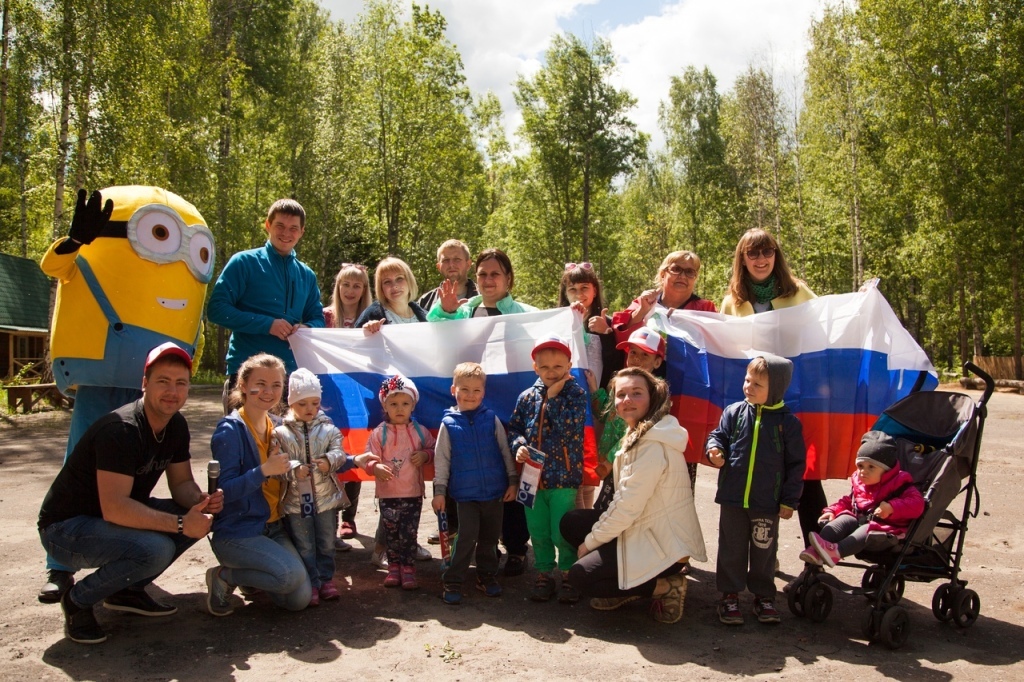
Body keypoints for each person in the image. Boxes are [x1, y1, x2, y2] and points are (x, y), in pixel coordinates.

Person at [37, 343, 222, 644]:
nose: (172, 391)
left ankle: (125, 590)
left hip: (109, 520)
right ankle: (77, 601)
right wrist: (179, 524)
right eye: (163, 381)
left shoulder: (176, 425)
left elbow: (181, 486)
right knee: (155, 548)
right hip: (66, 529)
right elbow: (115, 509)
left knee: (197, 518)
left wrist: (202, 502)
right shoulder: (121, 430)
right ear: (145, 384)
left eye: (180, 383)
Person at [561, 367, 707, 623]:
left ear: (652, 398)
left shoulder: (652, 444)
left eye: (636, 393)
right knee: (571, 522)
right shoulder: (639, 432)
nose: (627, 400)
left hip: (664, 546)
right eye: (621, 394)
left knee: (581, 576)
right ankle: (625, 582)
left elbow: (627, 507)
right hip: (644, 529)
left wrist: (591, 542)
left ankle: (665, 585)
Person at [427, 247, 537, 578]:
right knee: (465, 474)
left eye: (495, 274)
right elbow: (431, 339)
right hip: (469, 412)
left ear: (509, 279)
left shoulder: (524, 313)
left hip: (508, 413)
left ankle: (516, 547)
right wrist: (444, 314)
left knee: (509, 477)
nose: (488, 280)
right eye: (483, 274)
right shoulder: (461, 310)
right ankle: (461, 540)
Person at [718, 228, 823, 548]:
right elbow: (722, 349)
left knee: (805, 473)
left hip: (795, 398)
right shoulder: (732, 302)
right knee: (756, 474)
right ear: (742, 259)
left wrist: (860, 303)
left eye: (767, 252)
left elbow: (828, 329)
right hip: (753, 403)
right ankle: (758, 560)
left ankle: (817, 551)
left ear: (776, 256)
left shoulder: (799, 292)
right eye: (753, 253)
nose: (761, 259)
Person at [205, 354, 312, 617]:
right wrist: (264, 471)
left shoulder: (277, 426)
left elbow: (308, 455)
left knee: (299, 600)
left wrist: (356, 460)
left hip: (274, 527)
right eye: (260, 384)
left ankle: (249, 577)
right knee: (288, 577)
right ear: (243, 385)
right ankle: (224, 576)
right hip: (239, 532)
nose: (269, 391)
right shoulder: (230, 430)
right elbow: (224, 492)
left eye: (276, 385)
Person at [705, 354, 805, 626]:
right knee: (731, 548)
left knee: (764, 550)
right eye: (747, 380)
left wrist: (789, 500)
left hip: (766, 501)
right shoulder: (734, 412)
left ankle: (763, 596)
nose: (749, 387)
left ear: (776, 389)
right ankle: (729, 595)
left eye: (757, 384)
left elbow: (796, 465)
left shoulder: (788, 424)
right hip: (733, 497)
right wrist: (714, 449)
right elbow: (718, 436)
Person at [207, 198, 325, 413]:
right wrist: (266, 324)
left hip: (288, 376)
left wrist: (307, 328)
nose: (286, 233)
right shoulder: (244, 262)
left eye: (293, 229)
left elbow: (317, 318)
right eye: (280, 226)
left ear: (302, 232)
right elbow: (216, 309)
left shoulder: (306, 275)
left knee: (283, 446)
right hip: (247, 372)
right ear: (268, 225)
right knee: (244, 442)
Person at [273, 369, 375, 606]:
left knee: (326, 540)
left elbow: (341, 453)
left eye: (315, 403)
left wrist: (329, 461)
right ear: (291, 403)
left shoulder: (329, 429)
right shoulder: (280, 433)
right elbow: (277, 464)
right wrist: (295, 468)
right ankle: (311, 581)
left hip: (326, 499)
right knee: (304, 542)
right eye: (303, 403)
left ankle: (326, 579)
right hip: (296, 502)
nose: (310, 408)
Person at [508, 335, 588, 604]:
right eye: (545, 367)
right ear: (535, 368)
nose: (552, 372)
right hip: (531, 478)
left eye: (558, 366)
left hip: (563, 477)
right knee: (538, 530)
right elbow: (515, 428)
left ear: (569, 365)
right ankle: (544, 574)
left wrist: (552, 398)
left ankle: (568, 573)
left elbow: (570, 428)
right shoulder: (526, 397)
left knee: (561, 530)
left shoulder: (576, 394)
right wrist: (518, 445)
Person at [431, 362, 518, 605]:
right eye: (465, 389)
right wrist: (439, 492)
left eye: (476, 390)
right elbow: (442, 460)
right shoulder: (447, 424)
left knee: (490, 538)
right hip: (465, 495)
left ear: (484, 392)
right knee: (466, 536)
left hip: (495, 493)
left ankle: (486, 576)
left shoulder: (492, 419)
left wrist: (512, 481)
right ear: (453, 390)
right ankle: (453, 578)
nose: (471, 395)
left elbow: (505, 452)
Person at [801, 431, 925, 568]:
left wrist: (892, 507)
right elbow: (849, 501)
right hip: (860, 519)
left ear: (886, 470)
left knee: (867, 530)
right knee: (841, 521)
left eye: (871, 467)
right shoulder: (861, 483)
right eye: (860, 466)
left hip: (888, 528)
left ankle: (836, 552)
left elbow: (918, 504)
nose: (863, 471)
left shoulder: (900, 483)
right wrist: (833, 511)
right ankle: (816, 551)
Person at [365, 375, 436, 589]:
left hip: (413, 494)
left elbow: (434, 449)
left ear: (413, 405)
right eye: (393, 404)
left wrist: (425, 455)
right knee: (391, 534)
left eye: (405, 403)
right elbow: (368, 458)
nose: (399, 409)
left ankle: (408, 570)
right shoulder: (379, 434)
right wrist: (375, 467)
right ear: (384, 405)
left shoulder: (420, 432)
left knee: (409, 533)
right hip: (388, 495)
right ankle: (393, 568)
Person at [590, 327, 668, 512]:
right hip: (610, 463)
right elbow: (606, 413)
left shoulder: (655, 394)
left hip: (630, 462)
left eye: (645, 355)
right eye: (633, 352)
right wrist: (594, 390)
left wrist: (610, 460)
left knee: (615, 510)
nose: (637, 359)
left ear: (657, 362)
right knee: (605, 509)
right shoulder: (619, 383)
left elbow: (639, 432)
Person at [322, 262, 373, 547]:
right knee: (332, 451)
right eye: (345, 284)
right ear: (337, 287)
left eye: (357, 285)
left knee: (356, 448)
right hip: (331, 395)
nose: (350, 291)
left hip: (359, 394)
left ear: (364, 290)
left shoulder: (373, 318)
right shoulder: (324, 318)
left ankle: (348, 517)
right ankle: (329, 516)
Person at [595, 250, 717, 346]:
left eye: (690, 272)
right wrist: (642, 311)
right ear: (663, 274)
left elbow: (716, 345)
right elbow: (620, 338)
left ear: (695, 278)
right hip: (646, 375)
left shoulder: (705, 308)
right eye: (676, 269)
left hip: (687, 375)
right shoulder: (644, 302)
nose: (683, 276)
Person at [354, 257, 429, 332]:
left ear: (409, 281)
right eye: (387, 282)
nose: (394, 286)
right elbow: (355, 341)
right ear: (381, 288)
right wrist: (366, 332)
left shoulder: (426, 316)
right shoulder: (371, 315)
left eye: (399, 279)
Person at [418, 239, 478, 312]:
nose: (451, 265)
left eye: (457, 259)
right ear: (439, 267)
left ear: (468, 264)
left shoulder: (483, 297)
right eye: (446, 260)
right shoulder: (425, 302)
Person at [323, 262, 372, 329]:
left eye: (356, 286)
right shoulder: (322, 317)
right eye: (346, 285)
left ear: (364, 290)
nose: (350, 291)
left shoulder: (371, 320)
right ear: (338, 286)